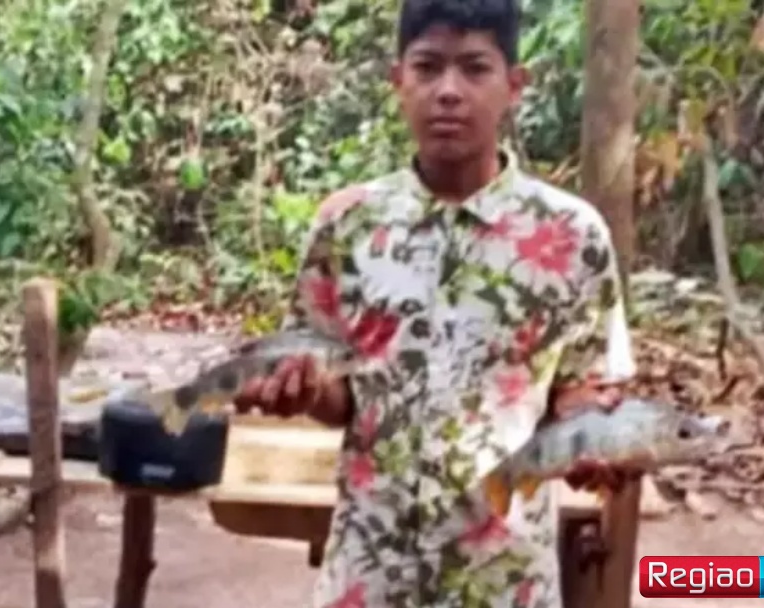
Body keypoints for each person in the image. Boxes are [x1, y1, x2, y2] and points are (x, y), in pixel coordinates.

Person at [233, 0, 638, 605]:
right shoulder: (347, 225)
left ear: (515, 86)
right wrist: (304, 390)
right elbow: (340, 397)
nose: (448, 91)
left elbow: (583, 389)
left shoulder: (572, 236)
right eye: (427, 67)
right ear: (399, 81)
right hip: (369, 576)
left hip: (504, 581)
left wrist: (595, 437)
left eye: (475, 68)